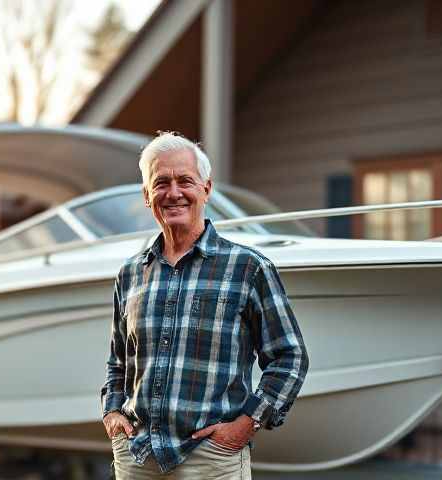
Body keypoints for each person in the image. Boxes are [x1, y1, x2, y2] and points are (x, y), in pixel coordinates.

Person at [101, 132, 308, 479]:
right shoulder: (130, 274)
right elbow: (118, 362)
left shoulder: (248, 267)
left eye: (185, 180)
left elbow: (290, 357)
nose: (174, 192)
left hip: (211, 460)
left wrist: (246, 424)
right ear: (146, 194)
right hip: (137, 457)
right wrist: (112, 414)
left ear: (206, 189)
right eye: (161, 182)